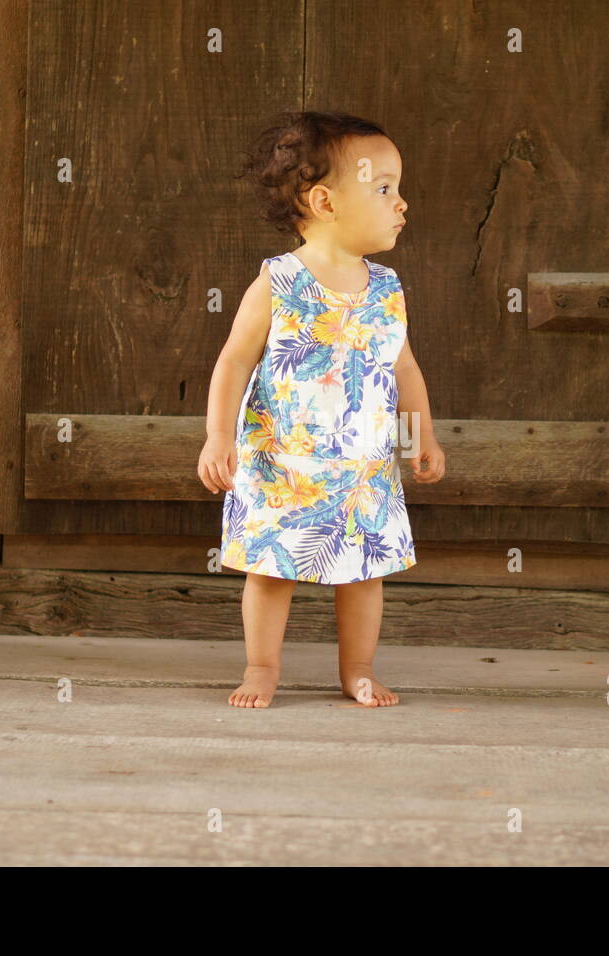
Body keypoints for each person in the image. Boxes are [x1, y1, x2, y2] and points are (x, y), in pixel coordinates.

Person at [198, 111, 445, 709]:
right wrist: (217, 436)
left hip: (362, 468)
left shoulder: (386, 289)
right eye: (384, 188)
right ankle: (262, 667)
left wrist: (422, 437)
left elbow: (402, 367)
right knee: (272, 570)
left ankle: (357, 668)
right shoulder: (280, 282)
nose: (402, 202)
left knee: (363, 574)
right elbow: (233, 362)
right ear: (325, 202)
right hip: (283, 464)